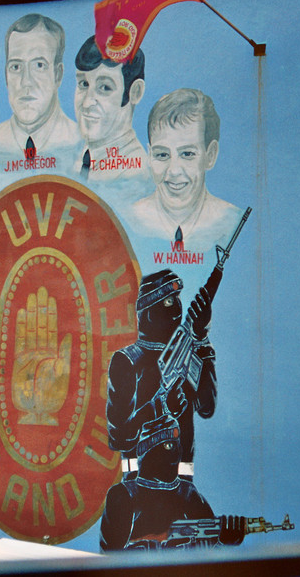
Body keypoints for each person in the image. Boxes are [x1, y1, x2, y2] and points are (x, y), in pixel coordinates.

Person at [106, 269, 217, 481]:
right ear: (148, 311)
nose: (177, 309)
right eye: (167, 302)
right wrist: (160, 407)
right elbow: (119, 437)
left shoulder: (187, 355)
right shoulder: (127, 361)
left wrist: (201, 340)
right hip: (136, 484)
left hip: (183, 484)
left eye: (177, 299)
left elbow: (207, 407)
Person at [99, 413, 245, 551]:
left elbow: (211, 550)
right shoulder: (123, 495)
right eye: (168, 445)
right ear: (149, 452)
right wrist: (164, 547)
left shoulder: (188, 493)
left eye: (177, 444)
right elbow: (110, 556)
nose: (178, 452)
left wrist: (226, 539)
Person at [129, 89, 243, 252]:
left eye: (187, 154)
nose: (174, 171)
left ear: (210, 156)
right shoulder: (130, 221)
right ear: (149, 155)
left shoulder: (232, 223)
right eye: (162, 154)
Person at [0, 14, 79, 168]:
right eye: (16, 67)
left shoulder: (82, 144)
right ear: (6, 76)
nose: (26, 82)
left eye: (39, 65)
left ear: (58, 75)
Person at [72, 36, 150, 199]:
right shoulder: (79, 159)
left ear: (135, 92)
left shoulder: (135, 176)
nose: (87, 103)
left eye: (105, 87)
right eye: (83, 84)